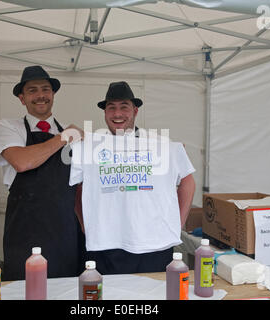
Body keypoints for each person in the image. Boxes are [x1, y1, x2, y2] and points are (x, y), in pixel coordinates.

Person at [70, 81, 196, 275]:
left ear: (135, 111)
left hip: (154, 243)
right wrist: (84, 224)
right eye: (111, 108)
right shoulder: (90, 147)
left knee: (153, 295)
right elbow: (78, 187)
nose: (117, 114)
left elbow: (187, 181)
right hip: (106, 242)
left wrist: (177, 222)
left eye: (124, 107)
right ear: (105, 113)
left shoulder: (160, 144)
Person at [0, 65, 85, 280]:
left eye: (45, 89)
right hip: (25, 231)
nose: (40, 95)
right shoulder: (9, 127)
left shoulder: (71, 134)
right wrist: (64, 137)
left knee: (65, 289)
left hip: (65, 231)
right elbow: (22, 162)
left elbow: (80, 185)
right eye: (32, 90)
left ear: (53, 94)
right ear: (22, 98)